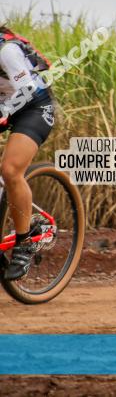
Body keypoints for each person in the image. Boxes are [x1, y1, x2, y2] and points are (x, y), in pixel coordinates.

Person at [0, 26, 55, 281]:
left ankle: (24, 244)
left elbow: (26, 90)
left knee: (11, 170)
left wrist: (3, 114)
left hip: (34, 106)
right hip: (6, 107)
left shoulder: (7, 51)